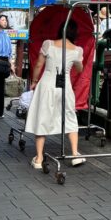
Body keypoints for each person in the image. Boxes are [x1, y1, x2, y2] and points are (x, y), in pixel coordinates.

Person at [26, 18, 86, 169]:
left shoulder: (48, 44)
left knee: (43, 117)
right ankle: (74, 154)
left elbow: (39, 64)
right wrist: (77, 61)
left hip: (47, 83)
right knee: (70, 117)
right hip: (65, 86)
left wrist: (33, 81)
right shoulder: (78, 50)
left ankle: (39, 159)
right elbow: (79, 70)